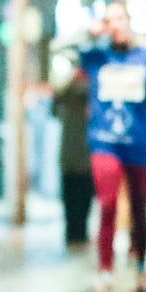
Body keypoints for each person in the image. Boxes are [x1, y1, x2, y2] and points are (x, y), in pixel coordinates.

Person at [78, 0, 146, 292]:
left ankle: (141, 265)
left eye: (120, 18)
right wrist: (89, 32)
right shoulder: (96, 56)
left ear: (129, 22)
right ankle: (104, 272)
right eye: (109, 20)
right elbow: (64, 47)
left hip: (140, 144)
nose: (116, 25)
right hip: (105, 142)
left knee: (139, 209)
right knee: (107, 204)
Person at [51, 66, 94, 245]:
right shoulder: (87, 92)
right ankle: (78, 232)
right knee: (81, 197)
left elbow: (54, 108)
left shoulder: (68, 92)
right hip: (82, 154)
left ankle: (73, 232)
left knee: (71, 197)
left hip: (72, 155)